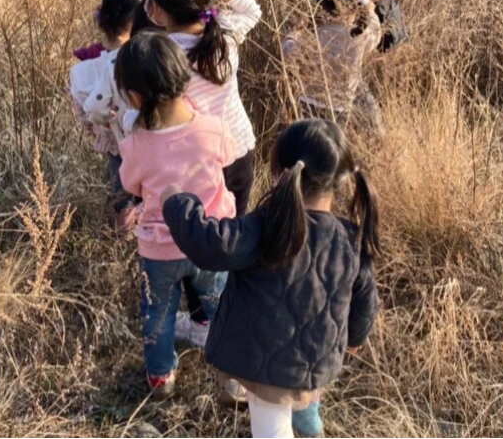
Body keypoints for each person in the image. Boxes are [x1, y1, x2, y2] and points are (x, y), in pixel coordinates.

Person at [161, 119, 381, 438]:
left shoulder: (266, 228)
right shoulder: (349, 237)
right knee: (305, 388)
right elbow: (365, 297)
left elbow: (211, 245)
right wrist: (356, 337)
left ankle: (300, 424)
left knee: (271, 429)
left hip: (265, 365)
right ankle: (308, 423)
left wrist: (177, 203)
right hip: (316, 358)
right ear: (340, 179)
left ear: (281, 172)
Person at [141, 0, 262, 368]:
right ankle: (227, 316)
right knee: (230, 236)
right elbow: (254, 11)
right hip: (240, 154)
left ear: (157, 9)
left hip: (195, 163)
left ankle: (200, 319)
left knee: (194, 238)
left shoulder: (162, 54)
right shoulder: (223, 34)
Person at [115, 31, 238, 398]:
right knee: (222, 308)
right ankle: (231, 374)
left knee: (158, 312)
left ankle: (160, 376)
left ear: (135, 97)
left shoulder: (136, 144)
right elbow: (229, 156)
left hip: (159, 249)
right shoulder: (211, 128)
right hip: (210, 242)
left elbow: (130, 183)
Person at [70, 0, 143, 221]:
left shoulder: (85, 65)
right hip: (144, 142)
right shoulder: (136, 59)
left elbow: (82, 111)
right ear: (134, 20)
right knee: (149, 193)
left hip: (113, 144)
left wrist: (100, 129)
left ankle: (121, 231)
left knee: (121, 193)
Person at [283, 0, 382, 130]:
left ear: (322, 2)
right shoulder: (360, 36)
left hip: (307, 102)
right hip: (340, 109)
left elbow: (288, 51)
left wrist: (297, 29)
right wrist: (369, 10)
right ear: (355, 7)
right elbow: (377, 31)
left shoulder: (312, 33)